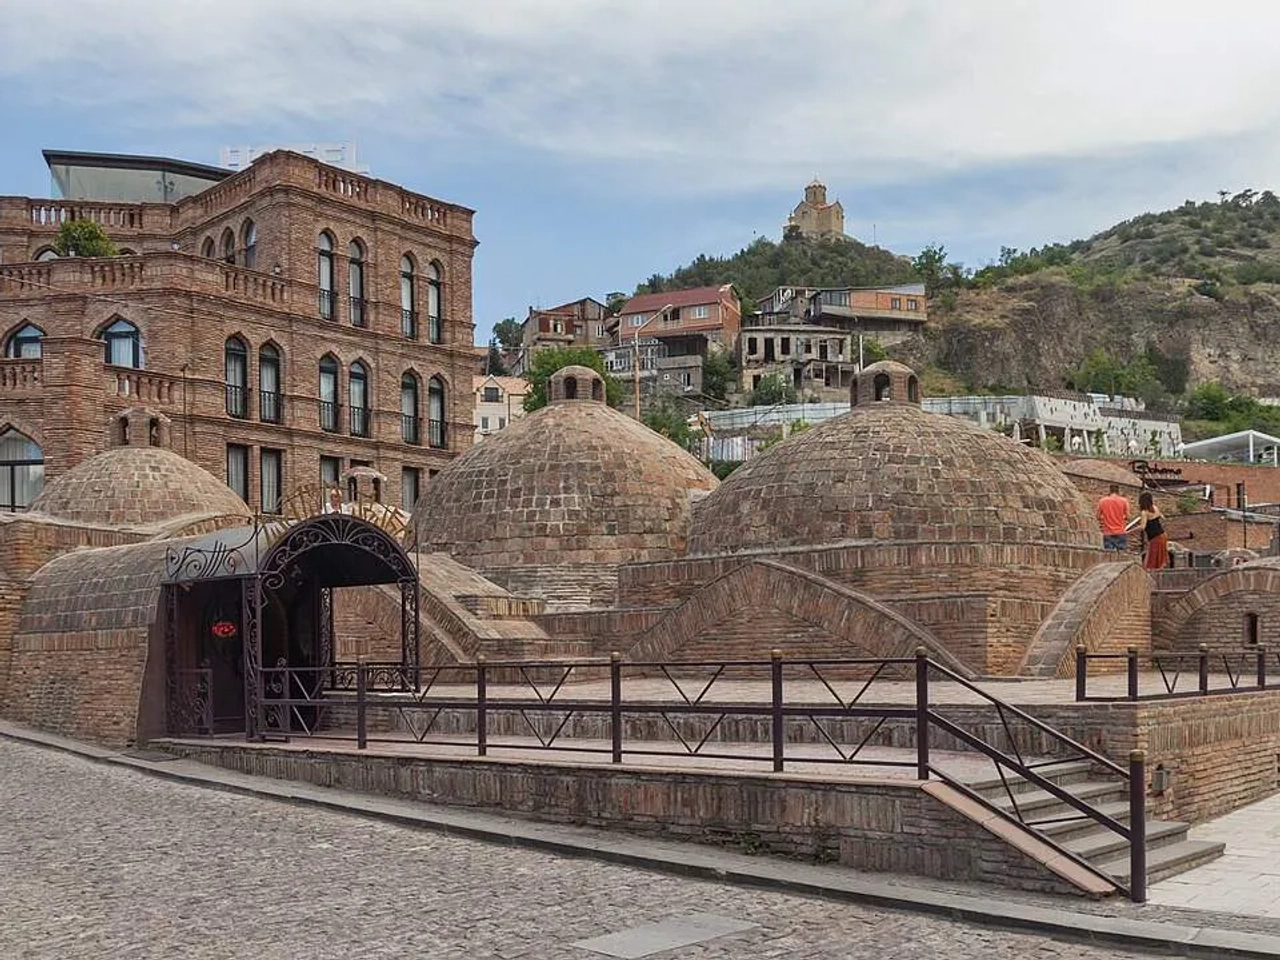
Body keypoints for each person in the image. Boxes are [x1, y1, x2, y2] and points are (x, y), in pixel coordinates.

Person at [1126, 491, 1169, 570]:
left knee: (1151, 562)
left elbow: (1142, 527)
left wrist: (1129, 531)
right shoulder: (1155, 507)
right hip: (1162, 535)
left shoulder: (1144, 512)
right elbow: (1163, 518)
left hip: (1155, 538)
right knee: (1160, 562)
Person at [1096, 484, 1131, 552]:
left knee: (1109, 555)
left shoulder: (1102, 501)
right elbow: (1128, 517)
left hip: (1107, 532)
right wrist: (1122, 517)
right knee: (1122, 555)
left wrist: (1106, 517)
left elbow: (1098, 516)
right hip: (1120, 532)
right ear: (1118, 491)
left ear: (1110, 491)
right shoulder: (1124, 501)